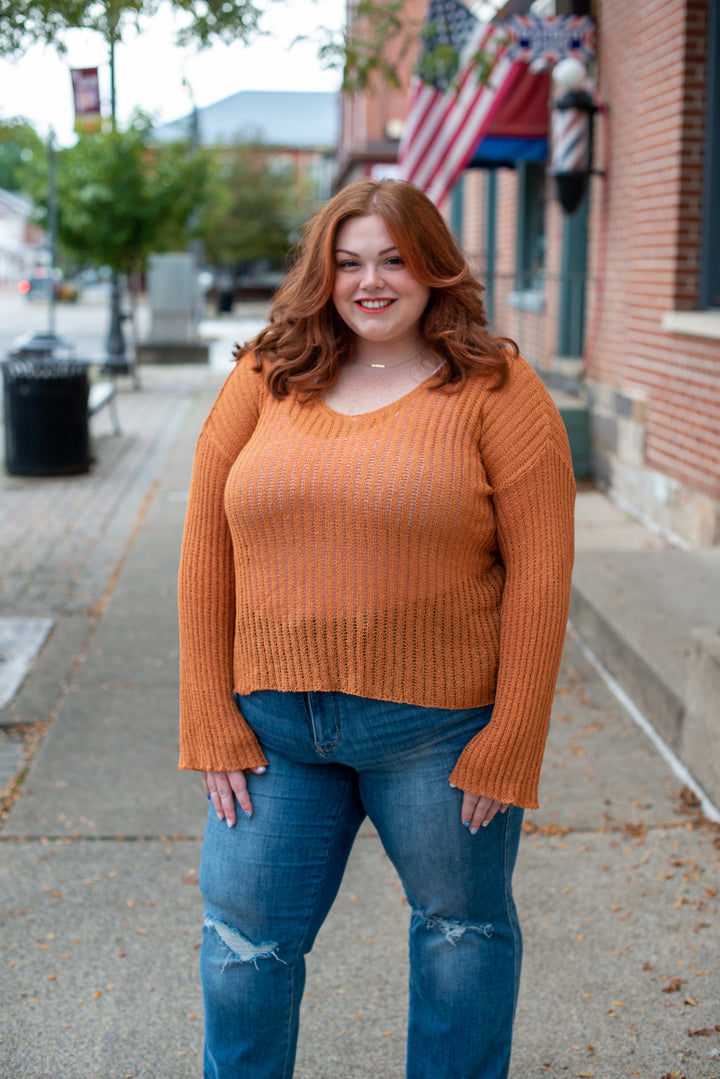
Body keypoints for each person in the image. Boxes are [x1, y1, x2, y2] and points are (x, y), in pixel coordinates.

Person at [178, 177, 576, 1079]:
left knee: (461, 936)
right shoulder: (265, 374)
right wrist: (208, 707)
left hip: (437, 735)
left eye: (394, 259)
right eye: (348, 261)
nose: (371, 281)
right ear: (322, 274)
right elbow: (206, 541)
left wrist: (513, 735)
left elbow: (542, 577)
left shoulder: (498, 390)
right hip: (271, 730)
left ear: (435, 267)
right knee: (243, 951)